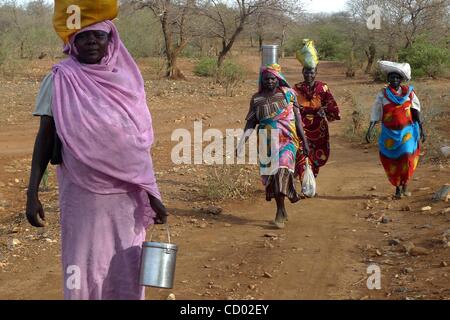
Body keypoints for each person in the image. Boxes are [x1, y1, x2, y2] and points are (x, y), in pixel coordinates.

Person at [25, 19, 168, 300]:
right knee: (82, 264)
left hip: (126, 199)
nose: (91, 41)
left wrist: (153, 194)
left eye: (98, 36)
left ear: (110, 40)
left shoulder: (128, 83)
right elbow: (44, 138)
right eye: (83, 37)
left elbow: (138, 146)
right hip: (82, 194)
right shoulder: (59, 78)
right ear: (72, 43)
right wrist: (32, 193)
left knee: (125, 263)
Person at [238, 64, 309, 229]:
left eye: (272, 78)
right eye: (266, 79)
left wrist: (304, 141)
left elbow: (298, 120)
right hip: (267, 143)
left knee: (282, 169)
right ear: (262, 81)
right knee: (273, 176)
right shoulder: (256, 99)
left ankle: (279, 213)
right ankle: (281, 208)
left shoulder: (289, 95)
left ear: (278, 79)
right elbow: (251, 123)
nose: (270, 81)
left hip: (288, 140)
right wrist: (242, 143)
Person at [366, 61, 425, 199]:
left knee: (407, 157)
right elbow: (376, 111)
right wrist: (369, 129)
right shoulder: (383, 94)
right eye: (392, 77)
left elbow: (415, 112)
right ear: (388, 79)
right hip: (389, 134)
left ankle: (405, 185)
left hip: (408, 132)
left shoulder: (409, 93)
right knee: (392, 160)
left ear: (401, 79)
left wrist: (422, 129)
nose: (394, 80)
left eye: (397, 77)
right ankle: (397, 188)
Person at [293, 67, 341, 184]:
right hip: (301, 125)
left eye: (311, 72)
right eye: (306, 72)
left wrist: (323, 110)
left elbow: (331, 105)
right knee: (301, 152)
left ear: (316, 73)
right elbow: (290, 106)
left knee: (316, 155)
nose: (309, 75)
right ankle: (305, 183)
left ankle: (311, 181)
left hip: (319, 128)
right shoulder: (295, 89)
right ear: (302, 72)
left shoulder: (322, 88)